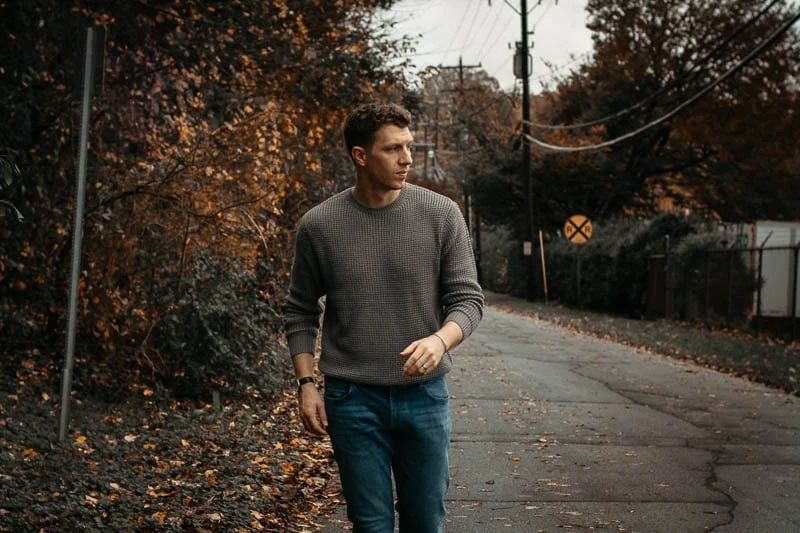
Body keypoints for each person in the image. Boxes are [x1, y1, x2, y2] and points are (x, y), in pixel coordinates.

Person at [283, 102, 483, 533]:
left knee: (424, 522)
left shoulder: (441, 214)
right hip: (352, 400)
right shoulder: (318, 225)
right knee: (370, 525)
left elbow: (468, 301)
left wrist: (440, 340)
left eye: (409, 147)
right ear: (360, 155)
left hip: (424, 397)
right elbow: (300, 310)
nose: (407, 159)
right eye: (393, 149)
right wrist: (306, 385)